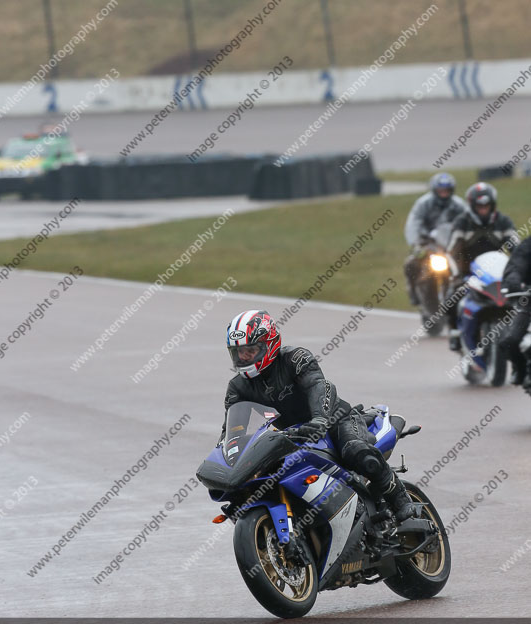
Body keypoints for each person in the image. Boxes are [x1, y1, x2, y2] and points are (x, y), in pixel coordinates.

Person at [219, 309, 416, 522]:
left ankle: (401, 500)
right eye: (238, 352)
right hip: (290, 436)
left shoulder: (295, 358)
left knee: (357, 452)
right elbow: (232, 426)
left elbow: (318, 385)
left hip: (334, 420)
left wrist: (319, 419)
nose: (244, 357)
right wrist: (227, 455)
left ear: (270, 344)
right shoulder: (237, 386)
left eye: (250, 350)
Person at [445, 182, 519, 351]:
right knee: (452, 294)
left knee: (521, 296)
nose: (483, 208)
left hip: (498, 274)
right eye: (479, 205)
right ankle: (455, 332)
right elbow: (451, 252)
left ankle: (520, 332)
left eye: (486, 205)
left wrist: (521, 270)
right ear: (472, 205)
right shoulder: (462, 222)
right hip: (468, 273)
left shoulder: (504, 221)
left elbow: (516, 248)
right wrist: (456, 275)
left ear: (493, 205)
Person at [404, 173, 466, 305]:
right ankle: (413, 291)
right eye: (441, 191)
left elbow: (468, 222)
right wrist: (415, 244)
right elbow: (413, 224)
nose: (444, 194)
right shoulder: (423, 204)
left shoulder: (459, 205)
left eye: (447, 191)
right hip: (429, 244)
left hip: (451, 244)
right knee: (411, 264)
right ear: (434, 190)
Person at [500, 237, 531, 386]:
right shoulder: (528, 245)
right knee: (510, 340)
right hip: (529, 303)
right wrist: (513, 280)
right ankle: (520, 370)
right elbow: (516, 265)